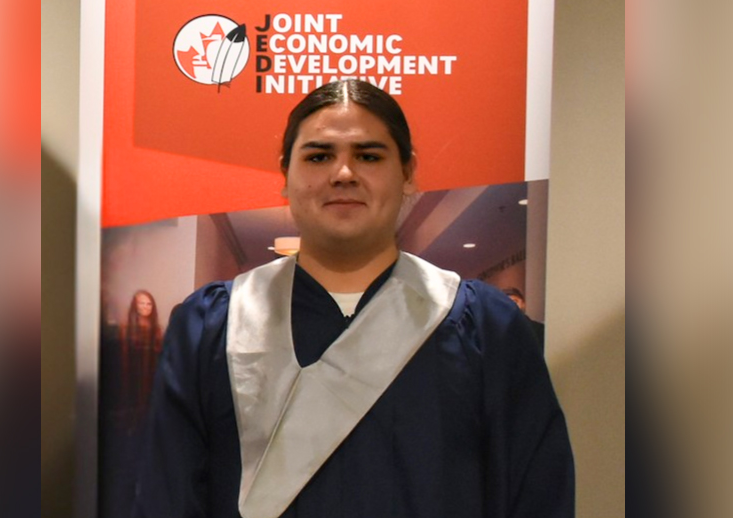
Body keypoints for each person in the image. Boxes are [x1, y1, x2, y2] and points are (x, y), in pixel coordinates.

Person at [133, 80, 574, 518]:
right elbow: (166, 498)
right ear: (285, 174)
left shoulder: (482, 327)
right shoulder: (213, 326)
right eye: (319, 156)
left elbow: (537, 493)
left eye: (368, 155)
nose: (343, 173)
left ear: (407, 172)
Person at [121, 289, 163, 415]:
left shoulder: (157, 329)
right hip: (131, 373)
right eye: (141, 303)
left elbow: (160, 353)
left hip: (151, 373)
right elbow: (123, 354)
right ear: (135, 305)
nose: (145, 307)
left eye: (149, 304)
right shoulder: (125, 327)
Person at [501, 287, 546, 351]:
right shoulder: (494, 331)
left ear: (523, 304)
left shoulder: (539, 329)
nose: (511, 305)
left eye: (515, 301)